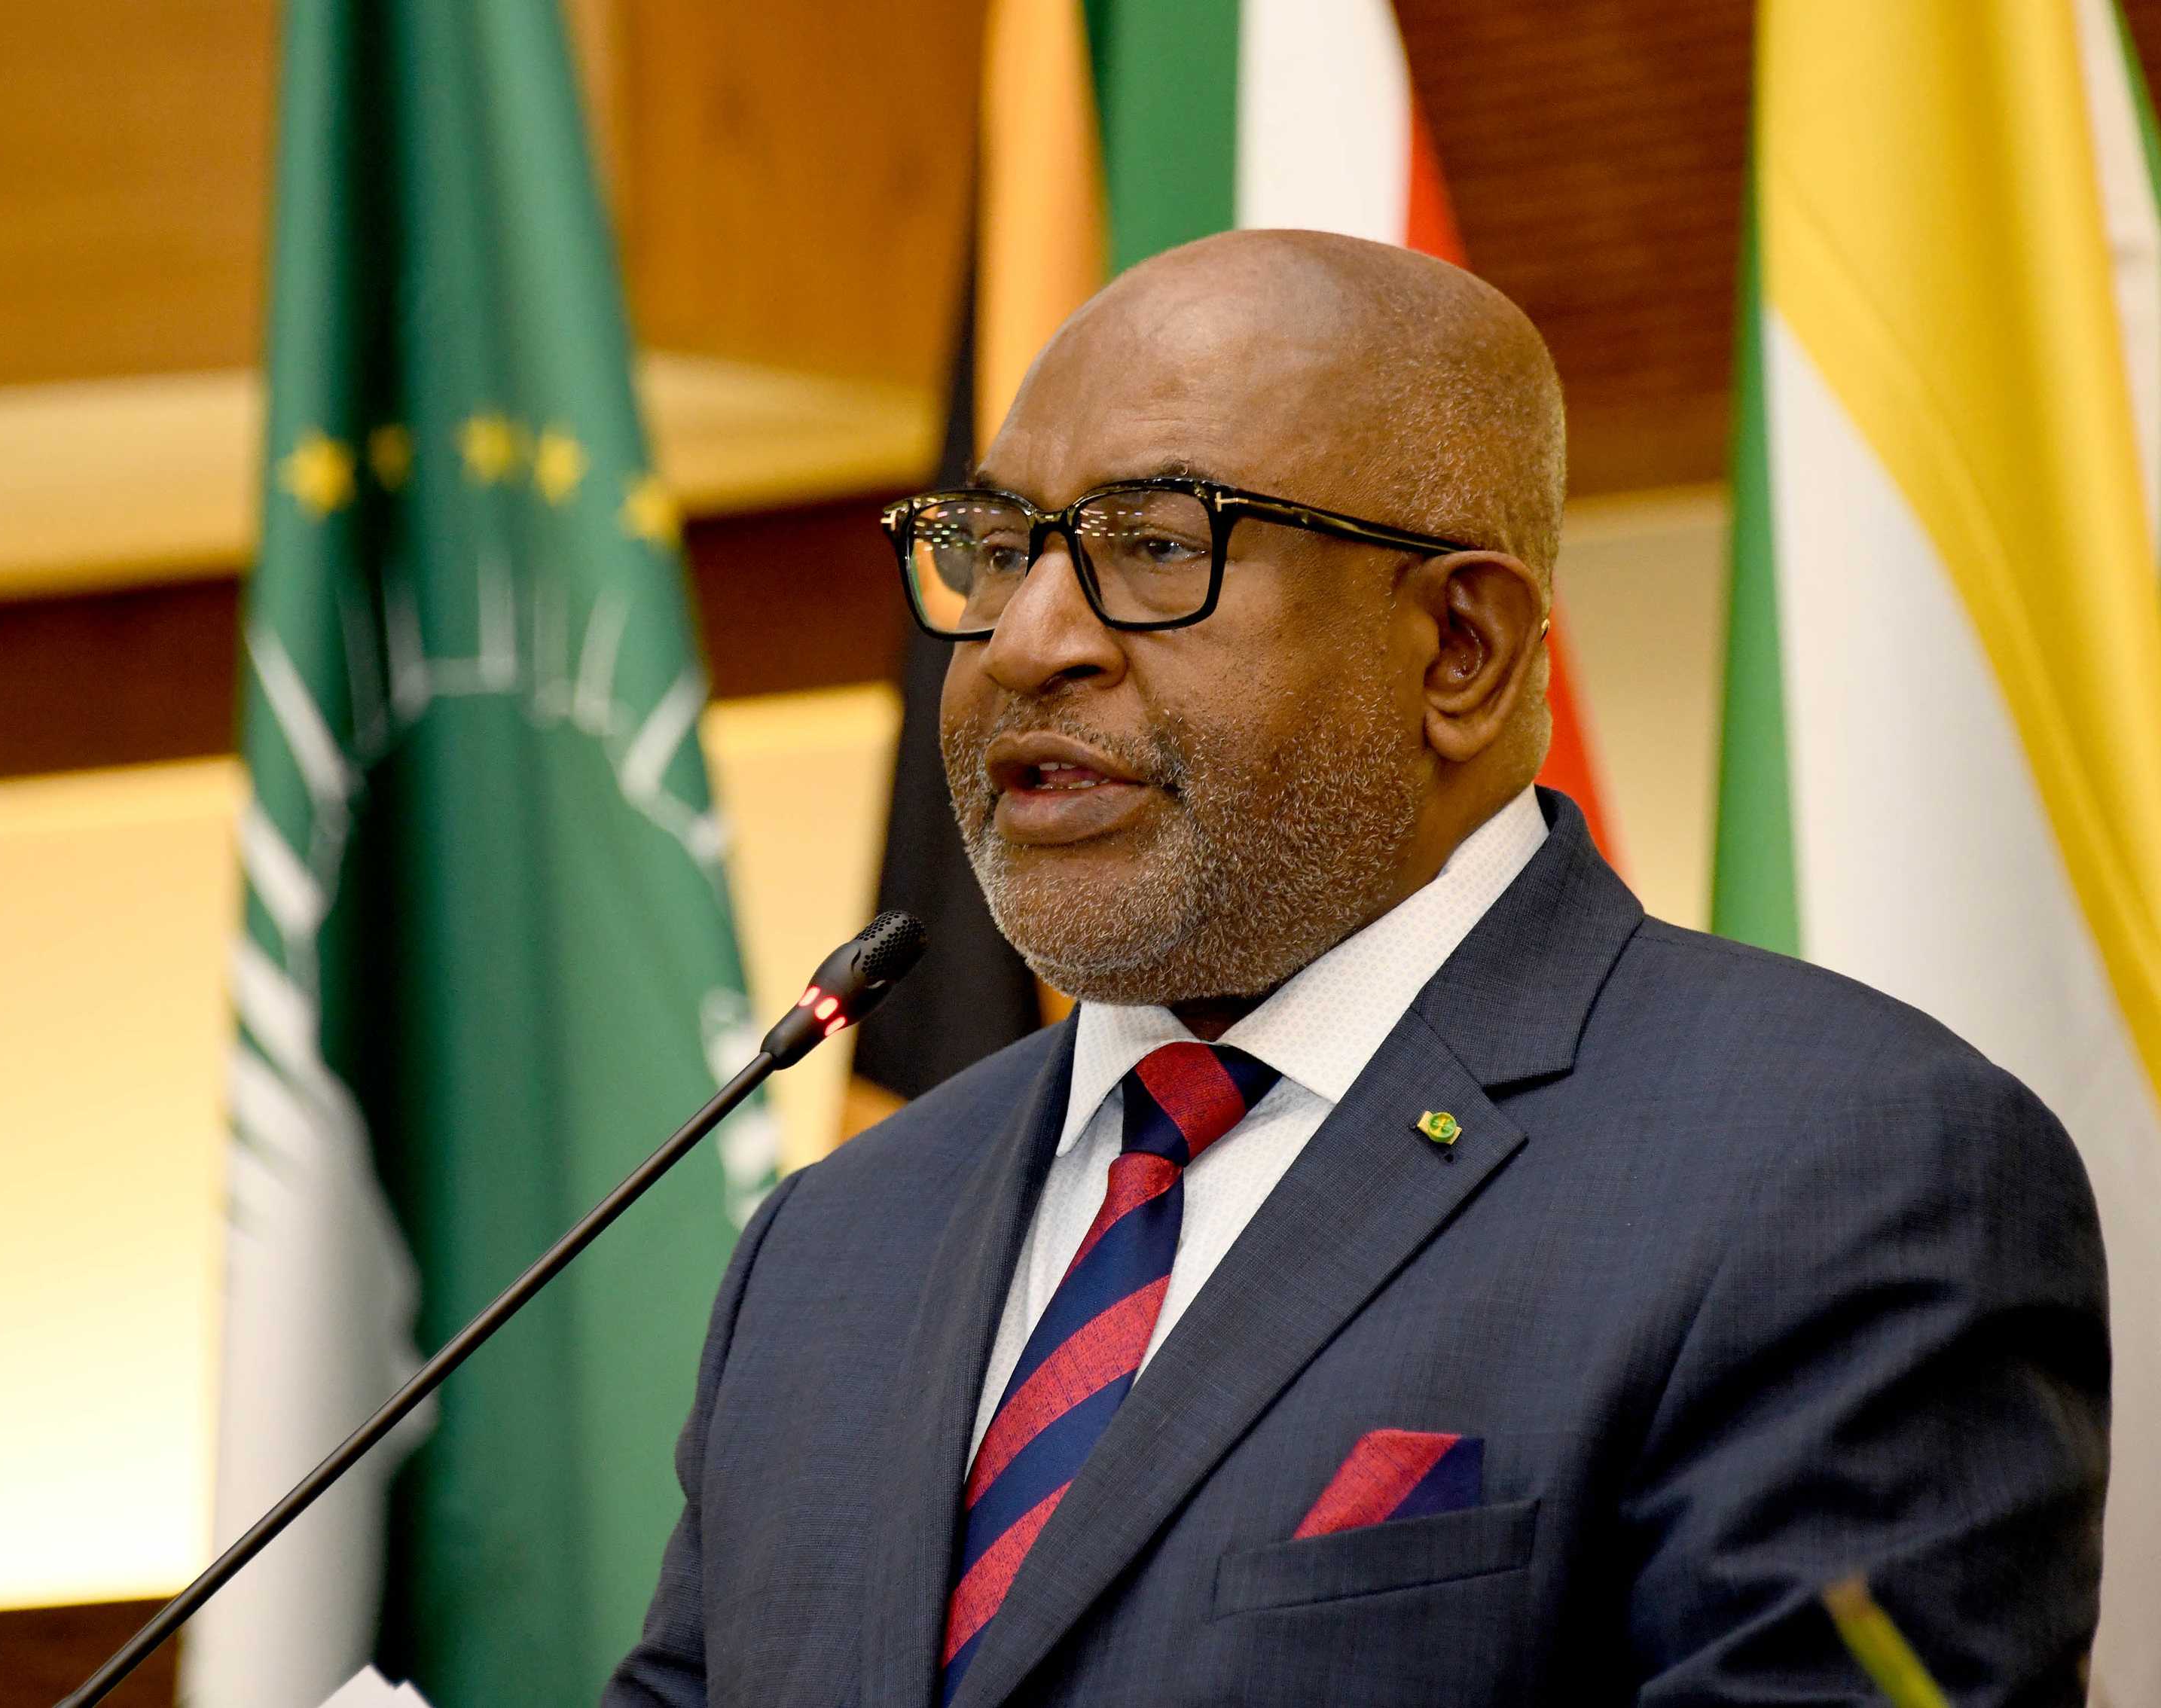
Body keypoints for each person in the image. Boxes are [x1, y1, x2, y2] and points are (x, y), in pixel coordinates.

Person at [606, 230, 2107, 1706]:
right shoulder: (837, 1238)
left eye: (1155, 547)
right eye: (997, 553)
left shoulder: (1840, 1171)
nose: (1028, 641)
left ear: (1460, 647)